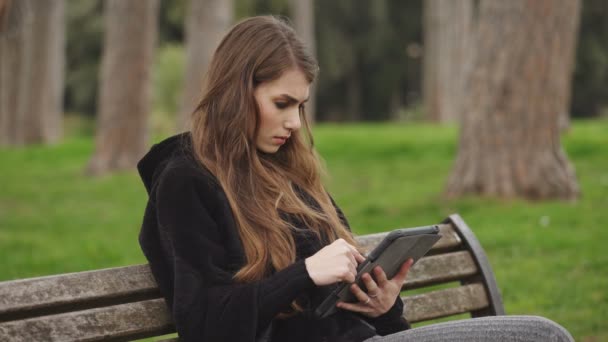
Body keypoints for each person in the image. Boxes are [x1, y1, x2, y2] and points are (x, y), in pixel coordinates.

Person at [137, 15, 574, 342]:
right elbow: (205, 324)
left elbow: (345, 309)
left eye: (300, 107)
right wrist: (305, 272)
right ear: (236, 92)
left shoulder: (290, 170)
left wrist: (383, 306)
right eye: (282, 102)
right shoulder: (186, 181)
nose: (293, 123)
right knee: (543, 336)